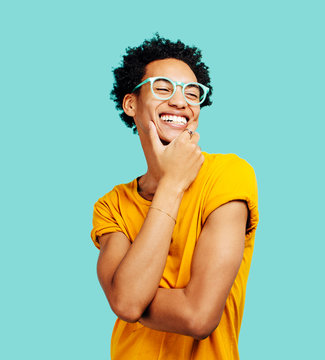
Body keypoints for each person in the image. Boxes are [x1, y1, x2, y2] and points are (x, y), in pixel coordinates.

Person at [90, 34, 259, 359]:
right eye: (163, 88)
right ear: (131, 104)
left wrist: (133, 294)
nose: (181, 102)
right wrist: (171, 185)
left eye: (192, 93)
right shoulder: (112, 205)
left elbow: (198, 316)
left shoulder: (229, 175)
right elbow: (124, 302)